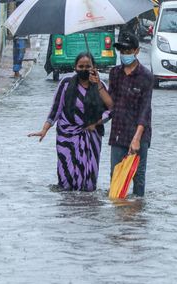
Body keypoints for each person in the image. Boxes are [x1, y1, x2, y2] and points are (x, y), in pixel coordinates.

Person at [28, 52, 113, 191]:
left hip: (91, 136)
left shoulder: (100, 86)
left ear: (94, 68)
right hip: (66, 136)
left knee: (89, 183)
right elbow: (56, 108)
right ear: (75, 68)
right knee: (65, 179)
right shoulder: (66, 84)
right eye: (81, 66)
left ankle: (85, 208)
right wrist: (44, 129)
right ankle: (68, 207)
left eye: (88, 66)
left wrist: (96, 123)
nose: (84, 69)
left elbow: (111, 110)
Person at [108, 32, 153, 197]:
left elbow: (145, 110)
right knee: (116, 177)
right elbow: (110, 104)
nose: (124, 55)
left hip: (139, 135)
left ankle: (138, 215)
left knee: (138, 178)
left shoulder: (146, 77)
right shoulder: (115, 73)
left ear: (136, 51)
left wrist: (137, 139)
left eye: (128, 51)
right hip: (118, 132)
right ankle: (119, 218)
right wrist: (98, 84)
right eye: (122, 51)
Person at [12, 0, 26, 78]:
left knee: (20, 53)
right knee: (19, 53)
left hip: (22, 35)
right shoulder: (17, 15)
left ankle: (17, 70)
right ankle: (16, 71)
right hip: (18, 36)